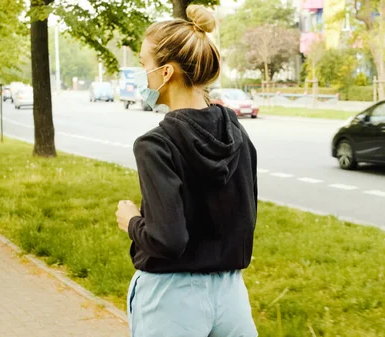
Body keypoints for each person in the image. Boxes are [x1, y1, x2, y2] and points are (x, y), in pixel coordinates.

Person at [115, 5, 258, 337]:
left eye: (142, 65)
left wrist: (131, 221)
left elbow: (167, 240)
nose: (141, 75)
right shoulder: (237, 133)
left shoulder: (155, 144)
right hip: (232, 295)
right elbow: (244, 220)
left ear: (165, 73)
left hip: (170, 299)